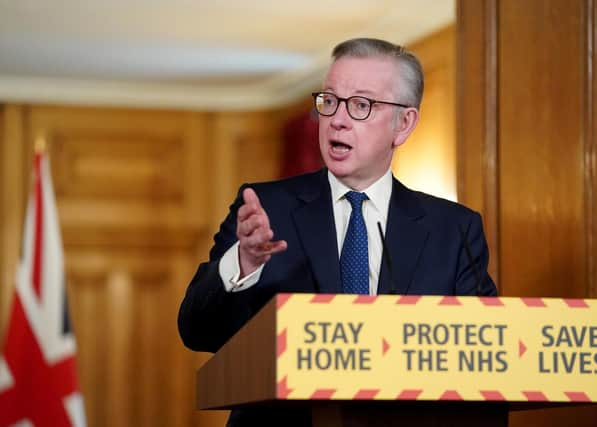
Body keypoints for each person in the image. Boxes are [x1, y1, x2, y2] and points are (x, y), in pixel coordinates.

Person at [178, 37, 497, 427]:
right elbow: (197, 332)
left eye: (361, 105)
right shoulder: (265, 209)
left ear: (404, 123)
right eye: (329, 101)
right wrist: (243, 264)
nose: (338, 119)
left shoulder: (453, 229)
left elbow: (484, 365)